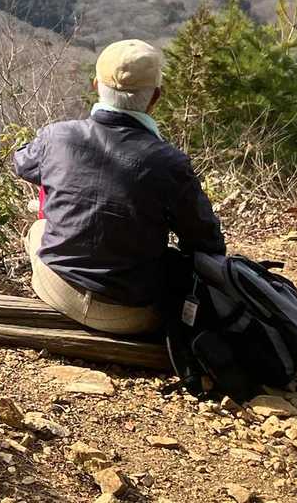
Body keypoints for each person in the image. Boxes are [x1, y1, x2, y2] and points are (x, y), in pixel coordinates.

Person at [12, 39, 225, 335]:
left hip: (57, 290)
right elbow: (206, 242)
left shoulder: (58, 136)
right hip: (131, 315)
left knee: (38, 229)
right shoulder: (170, 163)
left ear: (95, 85)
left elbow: (22, 163)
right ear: (155, 97)